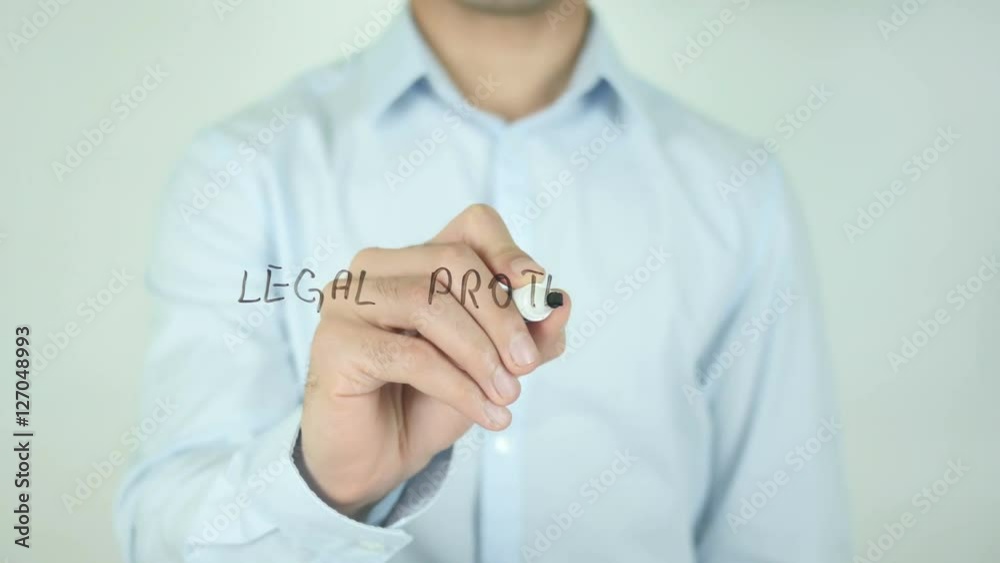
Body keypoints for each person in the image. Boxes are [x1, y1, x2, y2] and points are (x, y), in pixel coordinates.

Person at [115, 0, 852, 561]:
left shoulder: (740, 193)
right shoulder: (242, 173)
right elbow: (162, 540)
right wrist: (323, 483)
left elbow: (787, 539)